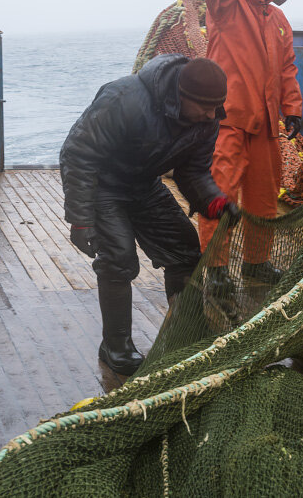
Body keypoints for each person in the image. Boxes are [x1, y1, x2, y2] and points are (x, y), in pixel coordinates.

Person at [60, 54, 239, 375]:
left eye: (217, 107)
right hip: (103, 185)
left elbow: (194, 171)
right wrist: (81, 218)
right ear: (181, 96)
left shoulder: (207, 117)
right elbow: (78, 153)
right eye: (205, 107)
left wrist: (214, 202)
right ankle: (115, 345)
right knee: (119, 258)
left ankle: (186, 333)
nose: (213, 115)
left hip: (143, 185)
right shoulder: (124, 99)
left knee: (185, 249)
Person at [196, 0, 303, 282]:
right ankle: (216, 268)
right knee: (219, 197)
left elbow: (288, 68)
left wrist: (292, 107)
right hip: (228, 124)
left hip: (267, 127)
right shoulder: (224, 7)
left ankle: (256, 263)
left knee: (263, 199)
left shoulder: (279, 20)